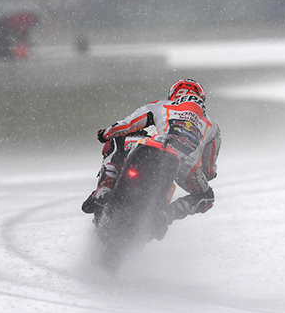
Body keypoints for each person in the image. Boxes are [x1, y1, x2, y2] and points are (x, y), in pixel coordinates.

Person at [81, 79, 221, 236]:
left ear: (173, 94)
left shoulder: (161, 105)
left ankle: (104, 187)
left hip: (153, 148)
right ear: (201, 98)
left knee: (116, 140)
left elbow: (127, 125)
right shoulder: (212, 125)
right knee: (207, 197)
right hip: (183, 166)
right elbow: (209, 171)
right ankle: (165, 216)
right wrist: (201, 175)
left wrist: (105, 133)